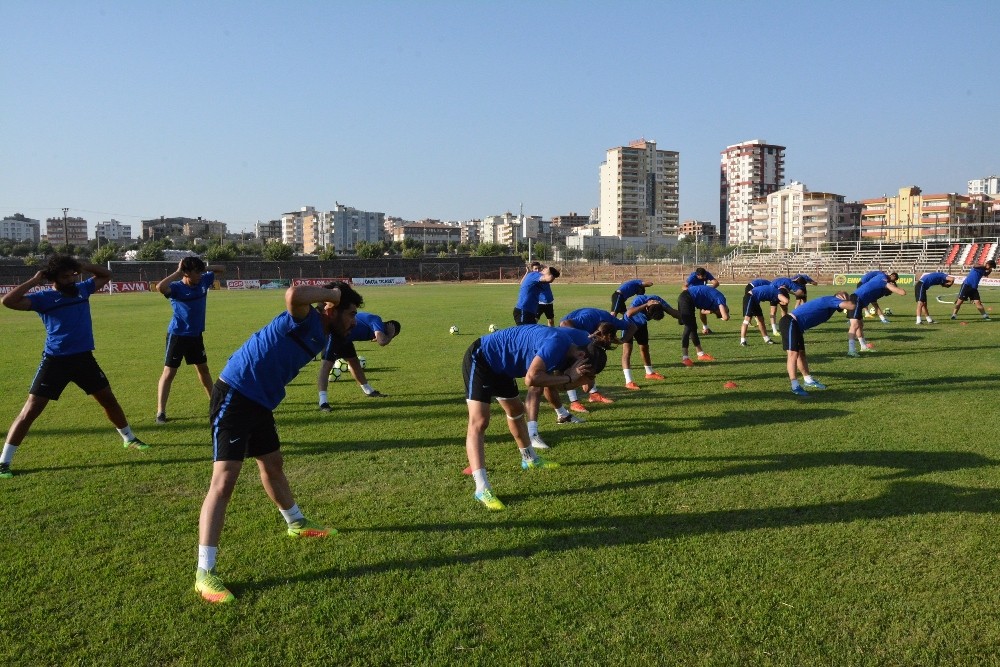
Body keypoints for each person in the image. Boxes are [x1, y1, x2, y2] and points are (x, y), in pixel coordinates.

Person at [195, 281, 364, 604]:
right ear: (331, 308)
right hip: (235, 395)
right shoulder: (305, 318)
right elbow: (294, 295)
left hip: (260, 402)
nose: (354, 320)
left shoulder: (325, 331)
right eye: (351, 313)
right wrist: (333, 294)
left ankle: (296, 522)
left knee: (272, 465)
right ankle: (205, 572)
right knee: (224, 480)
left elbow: (361, 328)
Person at [0, 255, 148, 479]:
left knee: (108, 399)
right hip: (55, 361)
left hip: (84, 360)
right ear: (53, 278)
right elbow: (8, 301)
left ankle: (129, 438)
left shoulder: (82, 289)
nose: (71, 279)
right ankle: (4, 461)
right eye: (65, 276)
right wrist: (34, 280)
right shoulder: (43, 298)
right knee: (31, 410)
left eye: (72, 275)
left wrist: (82, 266)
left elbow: (106, 274)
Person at [462, 325, 606, 510]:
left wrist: (577, 379)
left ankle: (529, 459)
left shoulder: (575, 349)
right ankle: (481, 488)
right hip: (482, 358)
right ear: (580, 357)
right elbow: (531, 379)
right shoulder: (556, 345)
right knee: (480, 421)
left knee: (516, 410)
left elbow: (555, 385)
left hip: (504, 367)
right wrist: (570, 378)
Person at [155, 257, 224, 423]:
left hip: (196, 335)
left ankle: (214, 406)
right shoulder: (176, 288)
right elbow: (160, 287)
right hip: (178, 335)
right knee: (169, 373)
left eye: (201, 272)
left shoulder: (203, 280)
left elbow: (221, 268)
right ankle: (161, 412)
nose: (201, 275)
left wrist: (202, 267)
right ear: (186, 273)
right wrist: (178, 272)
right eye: (197, 272)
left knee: (203, 369)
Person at [317, 312, 401, 409]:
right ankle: (323, 402)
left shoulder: (376, 329)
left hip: (346, 337)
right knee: (326, 366)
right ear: (390, 328)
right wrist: (390, 335)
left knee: (354, 362)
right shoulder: (377, 321)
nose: (392, 338)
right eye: (394, 335)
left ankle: (368, 391)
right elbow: (382, 341)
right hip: (335, 333)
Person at [780, 292, 856, 396]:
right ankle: (795, 386)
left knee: (801, 354)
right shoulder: (830, 299)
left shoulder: (831, 306)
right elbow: (851, 306)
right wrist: (855, 298)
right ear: (839, 297)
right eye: (845, 298)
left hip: (797, 326)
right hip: (790, 322)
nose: (845, 301)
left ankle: (808, 379)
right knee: (793, 354)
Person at [559, 308, 635, 408]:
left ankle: (594, 395)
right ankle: (574, 401)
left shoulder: (613, 322)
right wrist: (583, 337)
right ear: (598, 333)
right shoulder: (588, 320)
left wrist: (622, 340)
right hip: (566, 331)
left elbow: (633, 327)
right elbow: (564, 324)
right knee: (573, 364)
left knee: (591, 359)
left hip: (588, 333)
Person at [620, 295, 679, 389]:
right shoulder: (639, 299)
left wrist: (686, 316)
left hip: (641, 325)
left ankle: (649, 373)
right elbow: (629, 313)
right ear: (647, 309)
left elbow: (674, 313)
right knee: (627, 351)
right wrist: (645, 304)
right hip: (628, 324)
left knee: (644, 348)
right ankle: (629, 381)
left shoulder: (659, 301)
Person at [847, 272, 905, 357]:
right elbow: (902, 293)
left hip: (858, 299)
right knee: (854, 325)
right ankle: (851, 350)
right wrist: (896, 288)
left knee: (860, 325)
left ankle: (863, 346)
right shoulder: (884, 281)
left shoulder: (879, 282)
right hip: (856, 299)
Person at [677, 285, 729, 366]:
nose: (725, 311)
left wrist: (712, 311)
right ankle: (685, 358)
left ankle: (700, 354)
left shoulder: (714, 305)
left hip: (689, 300)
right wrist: (726, 315)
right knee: (688, 327)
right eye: (726, 310)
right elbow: (725, 317)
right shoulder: (721, 299)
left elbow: (703, 311)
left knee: (693, 327)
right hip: (686, 298)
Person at [684, 268, 719, 334]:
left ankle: (705, 328)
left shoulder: (706, 274)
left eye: (705, 275)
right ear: (697, 275)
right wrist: (690, 292)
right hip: (692, 296)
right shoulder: (692, 276)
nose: (705, 277)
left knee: (703, 310)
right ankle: (691, 330)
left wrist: (709, 289)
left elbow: (716, 283)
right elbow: (684, 286)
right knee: (691, 313)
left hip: (702, 295)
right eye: (702, 276)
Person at [529, 261, 556, 326]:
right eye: (535, 269)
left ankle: (551, 335)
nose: (537, 270)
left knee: (551, 321)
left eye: (539, 268)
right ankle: (530, 334)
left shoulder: (544, 275)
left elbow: (549, 274)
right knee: (534, 321)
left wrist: (546, 269)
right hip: (539, 303)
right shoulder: (534, 279)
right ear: (532, 270)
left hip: (549, 302)